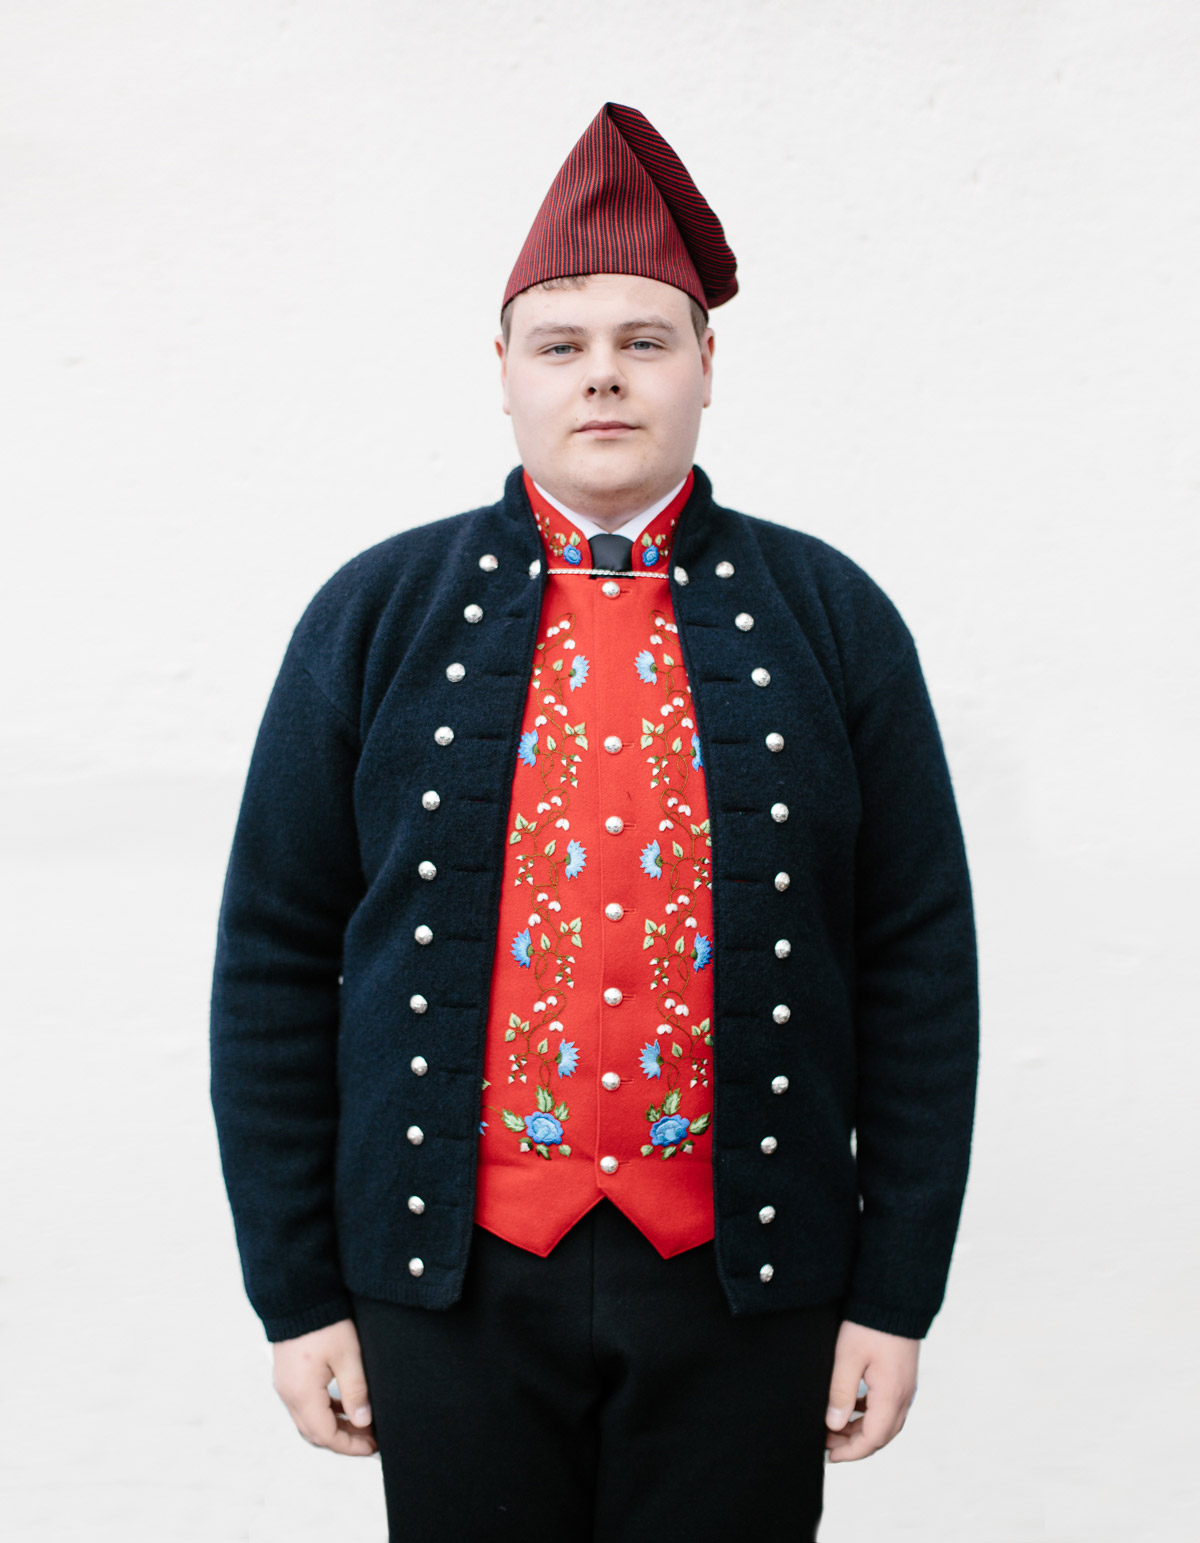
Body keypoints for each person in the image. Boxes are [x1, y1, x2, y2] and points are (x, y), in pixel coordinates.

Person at [209, 101, 979, 1542]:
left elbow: (918, 963)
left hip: (752, 1278)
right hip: (445, 1278)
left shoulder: (832, 615)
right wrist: (297, 1293)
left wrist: (895, 1294)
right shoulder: (377, 613)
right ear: (503, 372)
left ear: (707, 366)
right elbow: (272, 956)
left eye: (646, 341)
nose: (605, 375)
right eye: (561, 345)